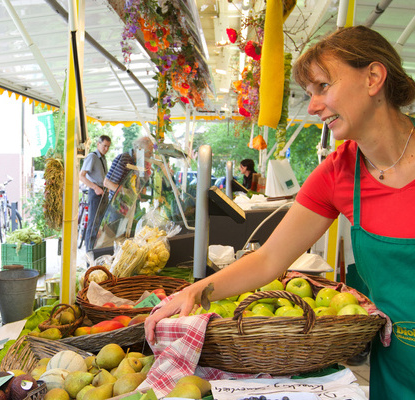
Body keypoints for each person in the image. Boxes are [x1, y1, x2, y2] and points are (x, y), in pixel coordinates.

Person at [145, 25, 415, 399]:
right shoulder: (338, 173)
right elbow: (269, 258)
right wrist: (194, 291)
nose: (313, 106)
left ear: (372, 78)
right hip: (397, 373)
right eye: (309, 93)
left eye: (323, 87)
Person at [79, 135, 111, 250]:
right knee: (92, 226)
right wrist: (95, 188)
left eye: (108, 147)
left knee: (98, 226)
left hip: (103, 192)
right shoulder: (92, 157)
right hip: (95, 192)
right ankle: (89, 255)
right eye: (104, 146)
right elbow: (81, 176)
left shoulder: (103, 158)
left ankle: (96, 253)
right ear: (98, 144)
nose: (106, 149)